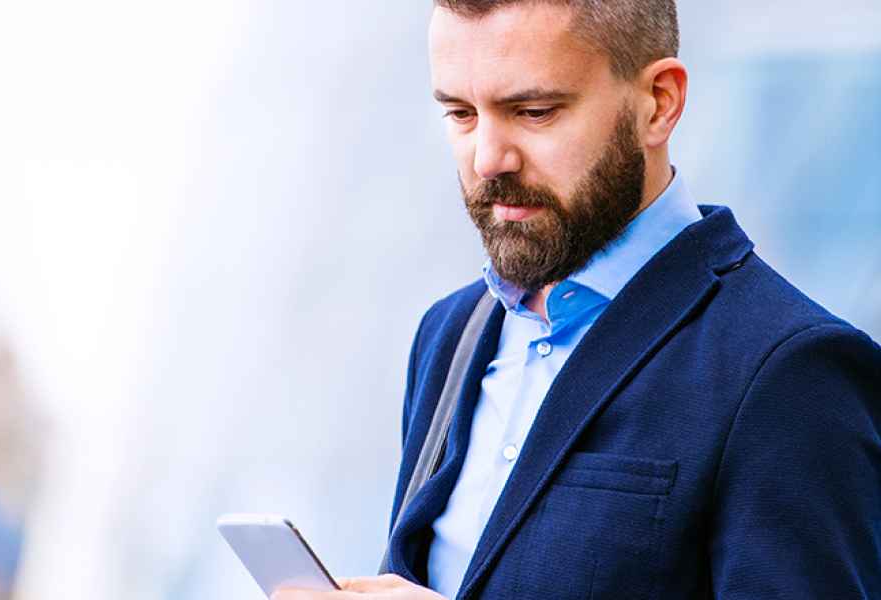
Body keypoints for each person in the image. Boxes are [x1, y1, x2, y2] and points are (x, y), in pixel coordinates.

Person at [274, 1, 881, 598]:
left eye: (534, 111)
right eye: (461, 114)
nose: (488, 159)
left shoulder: (791, 371)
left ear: (659, 103)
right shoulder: (450, 332)